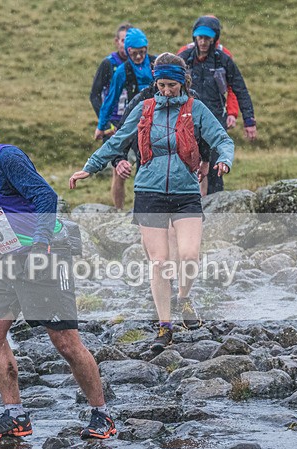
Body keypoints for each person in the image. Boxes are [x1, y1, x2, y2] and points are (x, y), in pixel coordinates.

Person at [0, 104, 116, 443]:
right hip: (8, 262)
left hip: (44, 257)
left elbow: (46, 197)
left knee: (65, 342)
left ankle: (101, 414)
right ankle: (15, 415)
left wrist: (39, 245)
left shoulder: (7, 158)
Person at [70, 53, 234, 353]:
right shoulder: (145, 108)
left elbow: (223, 140)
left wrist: (224, 160)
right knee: (159, 262)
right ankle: (164, 326)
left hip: (186, 192)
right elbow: (118, 140)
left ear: (182, 82)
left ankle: (183, 298)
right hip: (149, 192)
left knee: (189, 255)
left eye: (172, 85)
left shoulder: (195, 109)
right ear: (155, 82)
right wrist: (90, 167)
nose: (166, 91)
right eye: (161, 84)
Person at [178, 15, 255, 194]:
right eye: (200, 37)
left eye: (207, 38)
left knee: (214, 167)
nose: (203, 42)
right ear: (194, 38)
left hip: (215, 120)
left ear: (214, 39)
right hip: (187, 119)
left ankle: (216, 206)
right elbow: (164, 83)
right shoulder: (184, 58)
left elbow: (240, 90)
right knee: (185, 165)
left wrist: (249, 121)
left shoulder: (224, 60)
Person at [95, 27, 156, 211]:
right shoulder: (122, 71)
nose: (138, 57)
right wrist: (101, 125)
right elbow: (110, 99)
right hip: (130, 124)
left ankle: (145, 210)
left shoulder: (156, 64)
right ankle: (119, 211)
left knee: (148, 170)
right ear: (127, 51)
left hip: (156, 124)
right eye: (134, 53)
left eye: (142, 53)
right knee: (120, 170)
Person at [89, 22, 132, 211]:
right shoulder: (109, 64)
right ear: (117, 42)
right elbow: (95, 94)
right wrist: (104, 121)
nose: (126, 45)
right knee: (119, 170)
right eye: (123, 41)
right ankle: (119, 211)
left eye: (129, 41)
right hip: (114, 125)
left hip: (137, 122)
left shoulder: (141, 64)